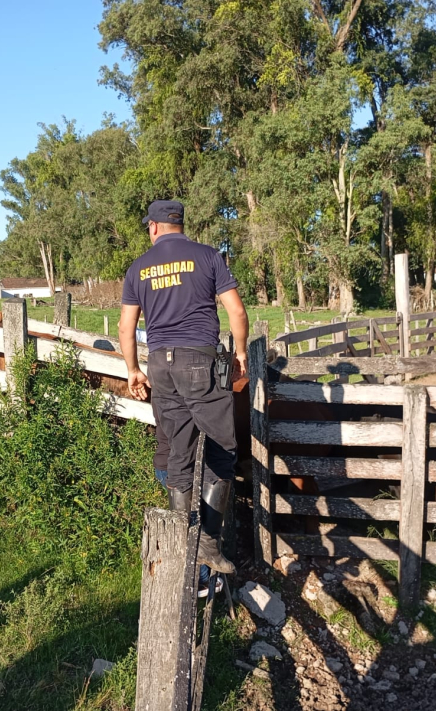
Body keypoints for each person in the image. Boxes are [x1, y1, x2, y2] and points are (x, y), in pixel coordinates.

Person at [119, 199, 249, 575]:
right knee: (223, 449)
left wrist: (133, 369)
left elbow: (127, 328)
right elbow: (236, 312)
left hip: (160, 364)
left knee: (178, 449)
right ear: (178, 224)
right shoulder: (208, 256)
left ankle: (181, 544)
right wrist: (240, 352)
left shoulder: (138, 268)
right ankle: (208, 545)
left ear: (154, 227)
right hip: (200, 360)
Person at [153, 408, 223, 598]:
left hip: (166, 465)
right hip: (179, 471)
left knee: (190, 520)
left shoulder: (163, 391)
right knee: (193, 522)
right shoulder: (184, 397)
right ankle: (200, 579)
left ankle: (198, 575)